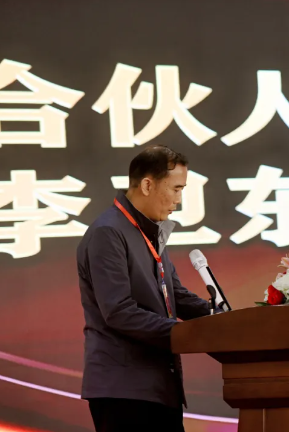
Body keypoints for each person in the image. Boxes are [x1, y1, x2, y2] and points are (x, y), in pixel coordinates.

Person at [77, 145, 212, 432]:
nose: (179, 200)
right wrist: (183, 333)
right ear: (148, 185)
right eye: (176, 189)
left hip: (160, 386)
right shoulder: (107, 232)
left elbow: (175, 295)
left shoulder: (150, 230)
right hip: (124, 391)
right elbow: (119, 311)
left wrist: (221, 317)